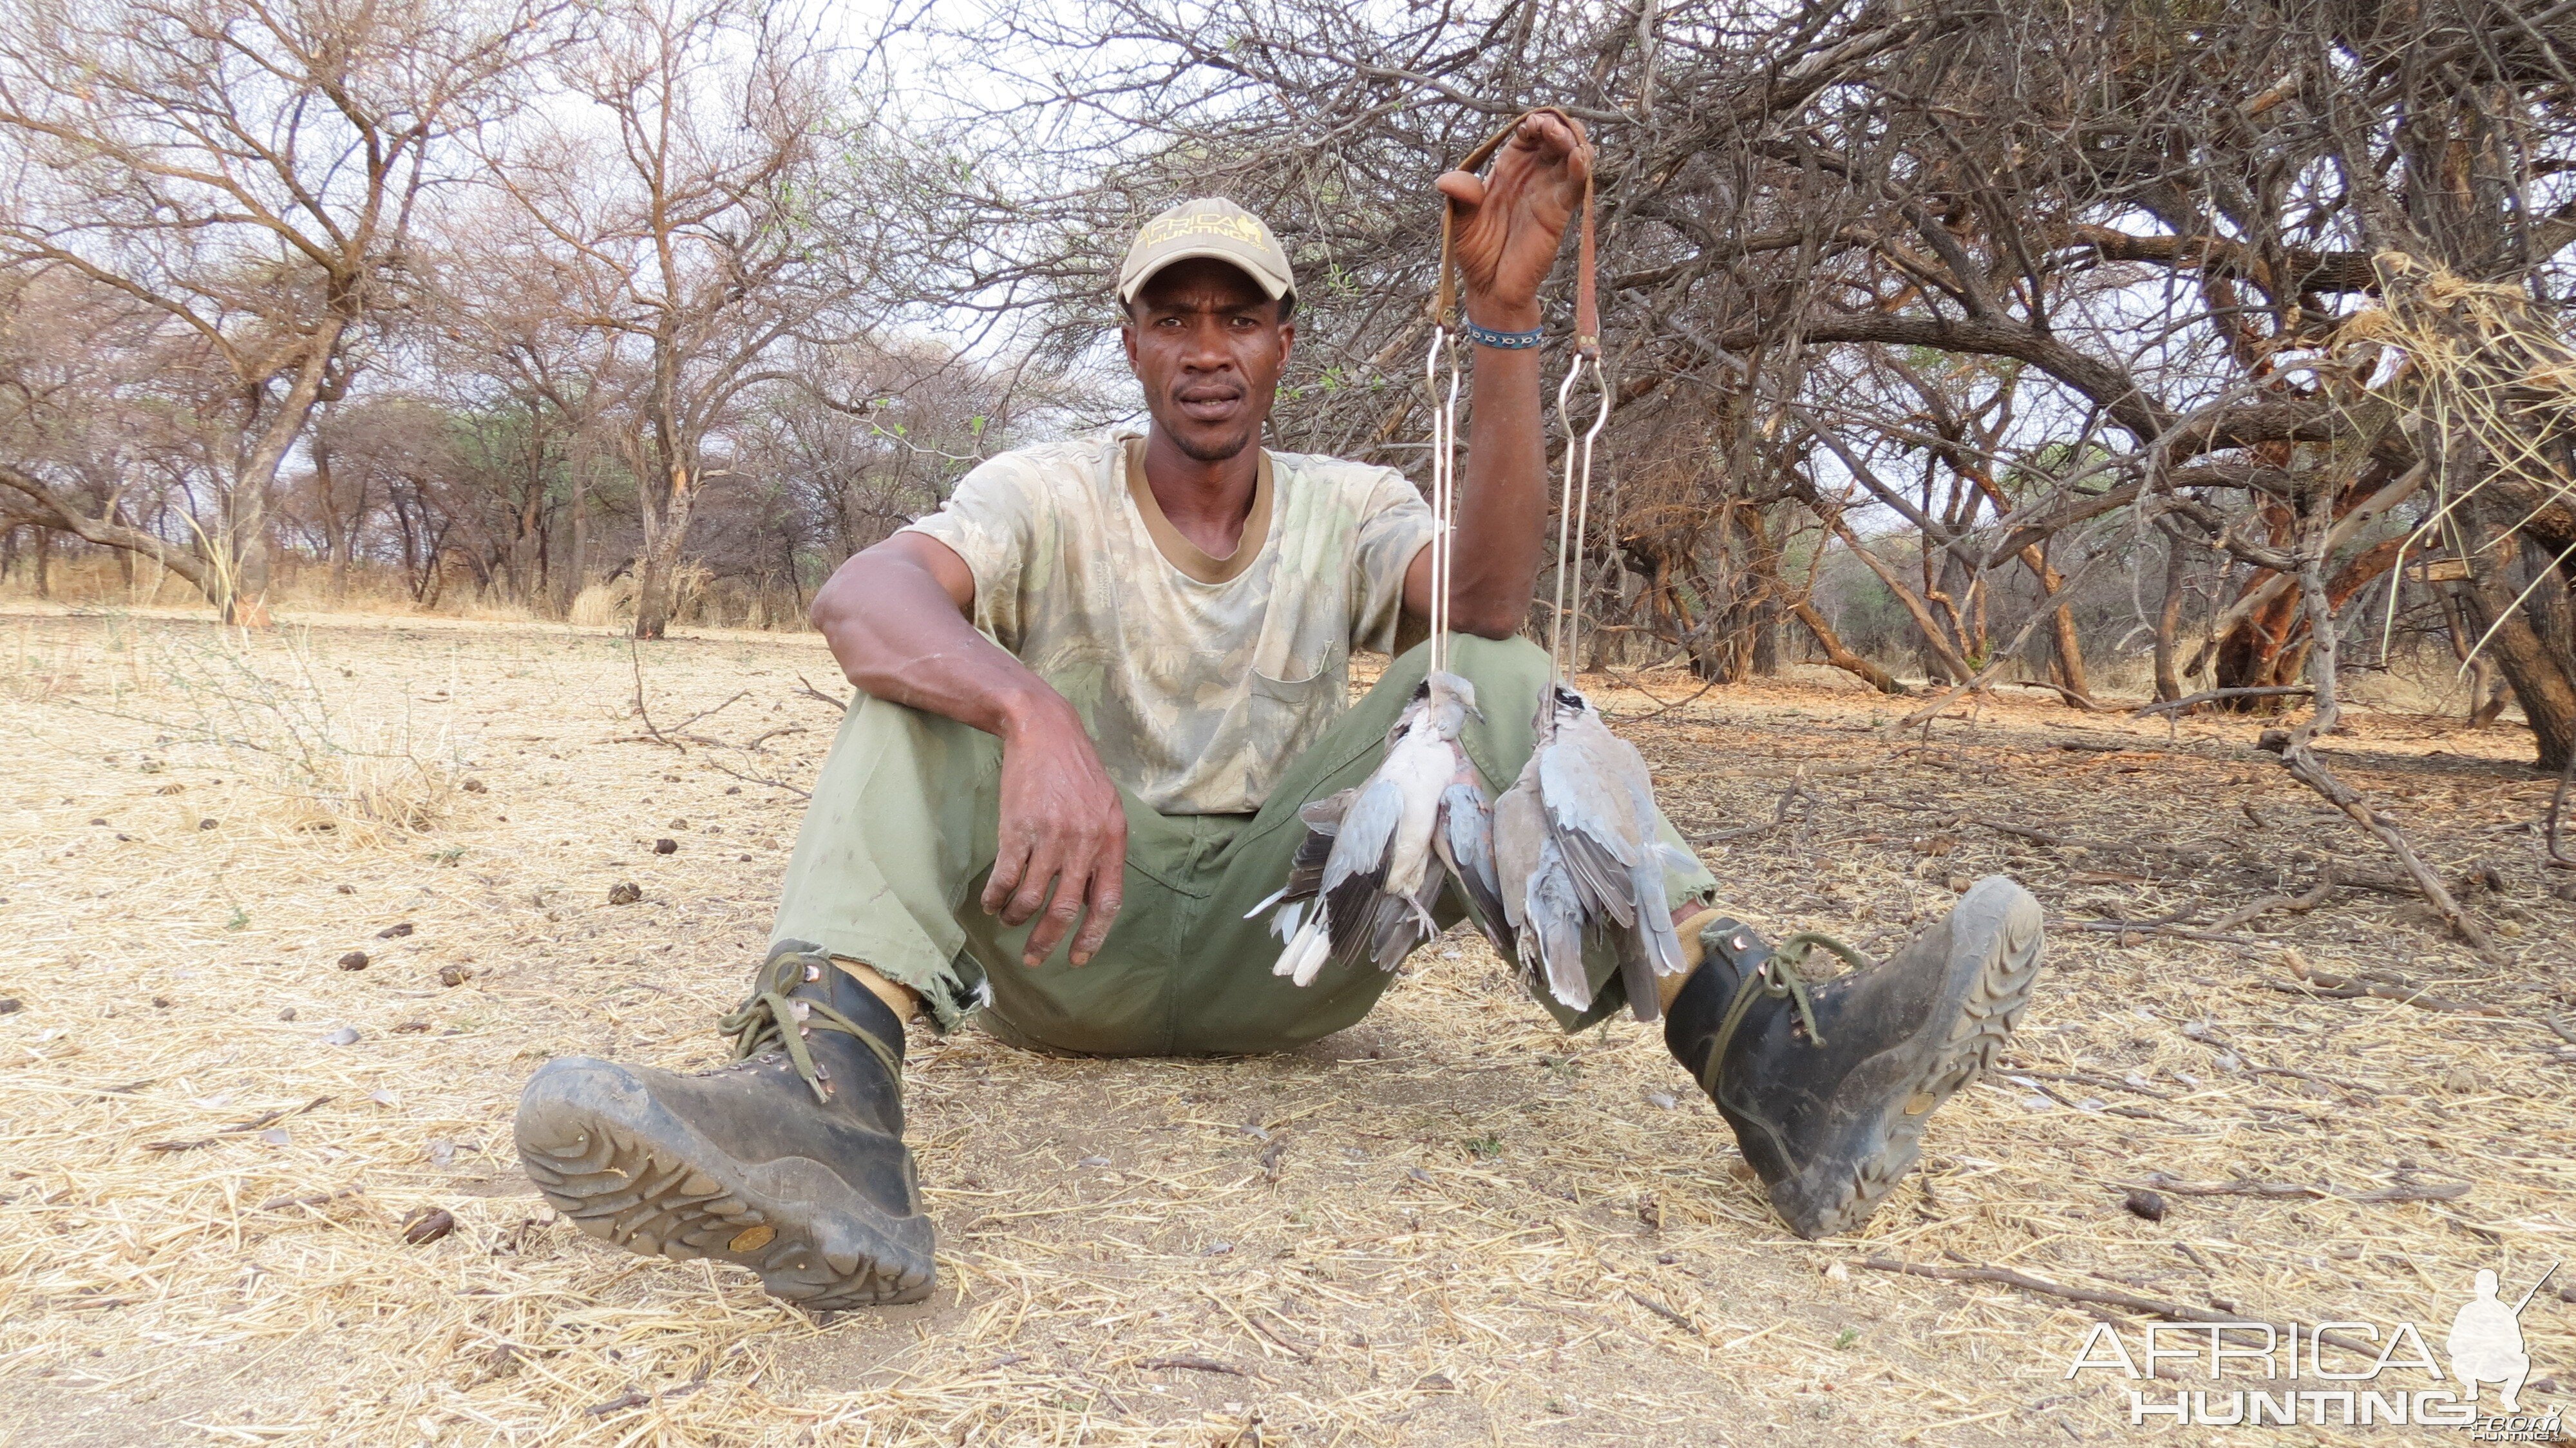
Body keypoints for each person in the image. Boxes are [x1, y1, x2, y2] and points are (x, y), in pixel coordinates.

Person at [514, 112, 2045, 1310]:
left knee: (1490, 676)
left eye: (1234, 319)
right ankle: (829, 1121)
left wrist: (1502, 325)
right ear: (1127, 341)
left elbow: (1491, 607)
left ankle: (1776, 1062)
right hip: (1071, 942)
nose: (1202, 348)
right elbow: (862, 597)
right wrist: (1032, 713)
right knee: (908, 698)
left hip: (1290, 941)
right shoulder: (1038, 492)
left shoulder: (1345, 505)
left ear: (1281, 341)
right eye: (1170, 318)